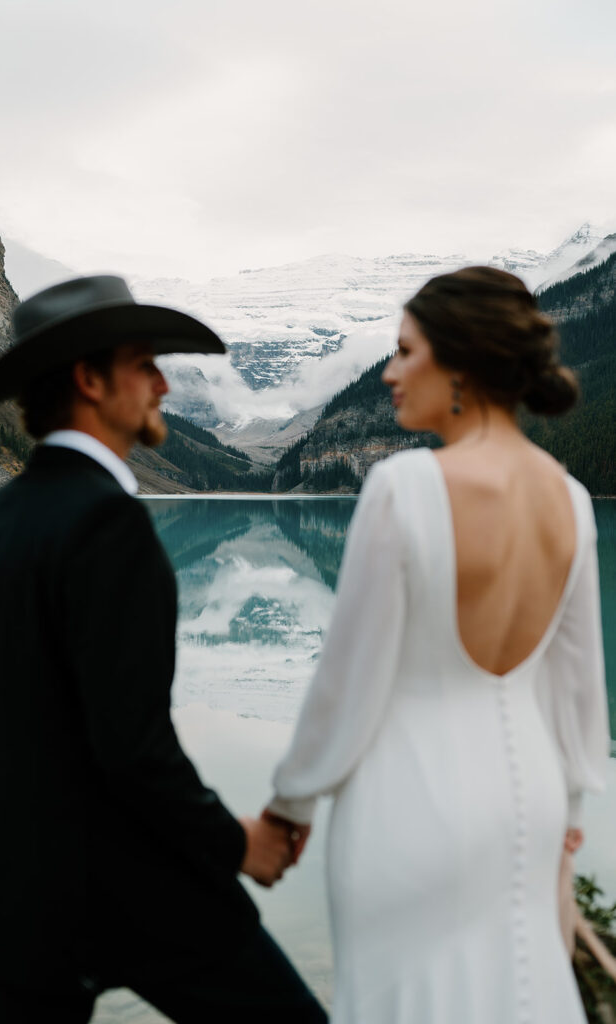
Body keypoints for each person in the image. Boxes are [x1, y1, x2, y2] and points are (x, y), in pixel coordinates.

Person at [0, 275, 327, 1024]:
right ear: (90, 380)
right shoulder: (108, 523)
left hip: (23, 894)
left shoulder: (2, 516)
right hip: (136, 887)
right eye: (144, 363)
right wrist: (237, 844)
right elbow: (133, 748)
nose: (164, 381)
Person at [264, 266, 610, 1023]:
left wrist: (289, 806)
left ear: (458, 360)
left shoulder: (405, 487)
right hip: (533, 802)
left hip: (411, 800)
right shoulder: (573, 502)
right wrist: (570, 813)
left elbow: (346, 684)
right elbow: (580, 692)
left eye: (404, 351)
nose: (388, 372)